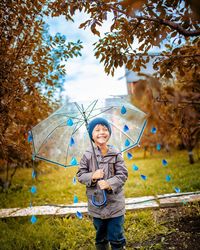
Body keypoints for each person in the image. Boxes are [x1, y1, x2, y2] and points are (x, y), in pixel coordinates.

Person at [76, 117, 128, 250]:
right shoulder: (87, 155)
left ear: (109, 133)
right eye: (97, 130)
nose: (101, 132)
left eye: (105, 129)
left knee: (116, 236)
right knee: (101, 237)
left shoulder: (116, 154)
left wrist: (110, 183)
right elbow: (80, 175)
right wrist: (93, 175)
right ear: (91, 136)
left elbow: (122, 174)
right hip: (96, 204)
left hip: (115, 204)